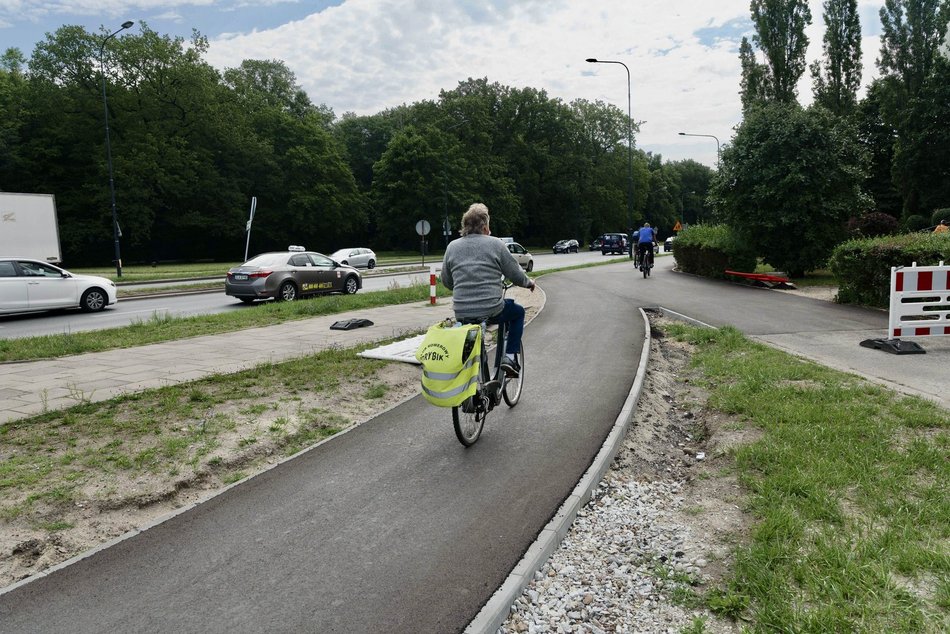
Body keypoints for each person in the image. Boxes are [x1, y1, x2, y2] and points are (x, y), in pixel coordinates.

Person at [441, 203, 536, 377]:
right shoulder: (496, 244)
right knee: (518, 312)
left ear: (465, 226)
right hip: (492, 309)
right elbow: (515, 274)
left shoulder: (452, 247)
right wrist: (529, 283)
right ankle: (509, 358)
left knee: (471, 335)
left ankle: (475, 378)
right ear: (485, 226)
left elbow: (447, 281)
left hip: (461, 312)